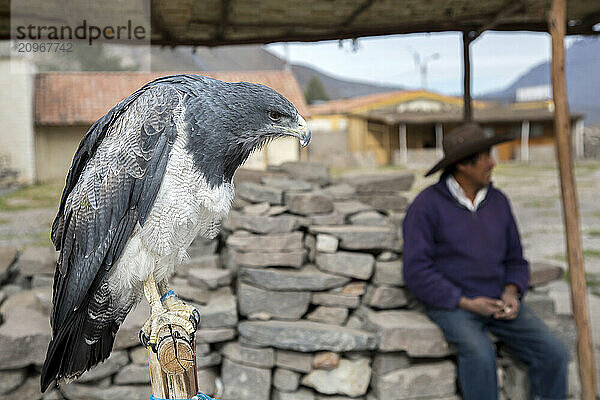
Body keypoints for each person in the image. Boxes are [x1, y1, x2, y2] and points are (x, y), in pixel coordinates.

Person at [402, 123, 569, 400]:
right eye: (485, 157)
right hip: (453, 305)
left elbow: (516, 259)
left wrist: (511, 292)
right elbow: (416, 271)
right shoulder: (426, 205)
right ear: (463, 166)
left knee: (553, 353)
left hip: (498, 302)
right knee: (480, 356)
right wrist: (465, 302)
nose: (493, 163)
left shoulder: (499, 201)